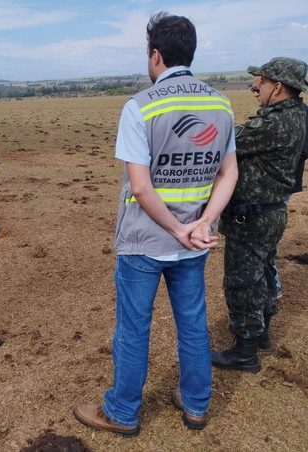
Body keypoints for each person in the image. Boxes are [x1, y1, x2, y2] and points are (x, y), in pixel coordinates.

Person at [73, 12, 238, 436]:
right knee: (193, 323)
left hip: (144, 242)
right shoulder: (220, 104)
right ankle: (196, 404)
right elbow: (229, 173)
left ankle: (123, 411)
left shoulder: (140, 107)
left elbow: (142, 189)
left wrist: (177, 228)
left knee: (133, 327)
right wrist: (202, 222)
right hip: (194, 243)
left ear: (156, 55)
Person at [212, 58, 307, 372]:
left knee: (242, 281)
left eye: (261, 82)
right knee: (263, 272)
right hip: (272, 212)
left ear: (278, 87)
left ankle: (245, 351)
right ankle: (261, 332)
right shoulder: (300, 117)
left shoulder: (275, 123)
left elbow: (227, 140)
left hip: (252, 217)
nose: (255, 87)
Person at [271, 101, 308, 299]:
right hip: (280, 182)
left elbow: (304, 149)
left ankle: (273, 285)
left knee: (267, 236)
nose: (255, 89)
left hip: (283, 183)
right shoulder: (284, 112)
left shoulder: (298, 114)